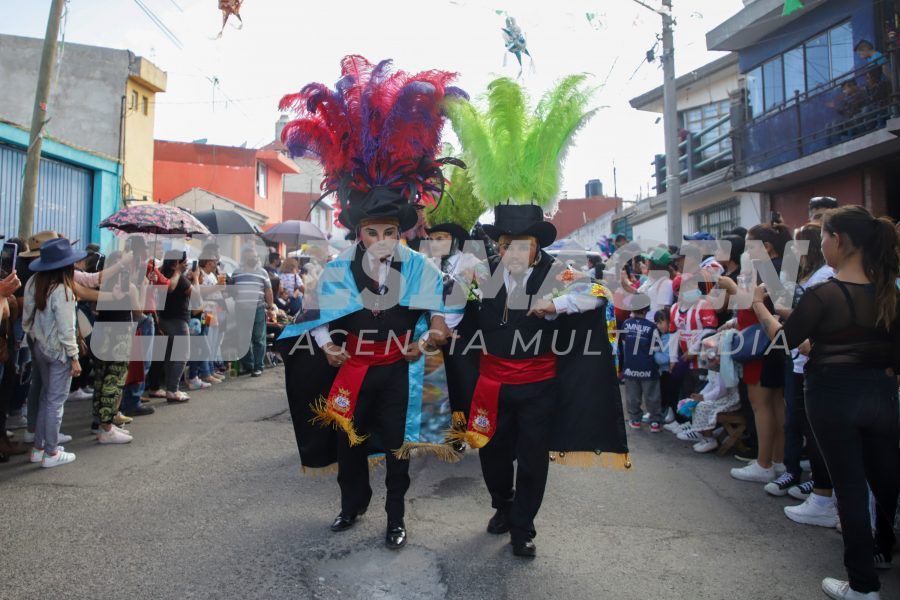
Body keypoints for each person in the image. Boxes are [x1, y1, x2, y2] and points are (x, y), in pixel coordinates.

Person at [275, 56, 459, 551]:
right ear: (358, 231)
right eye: (371, 231)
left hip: (398, 367)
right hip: (352, 366)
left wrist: (431, 336)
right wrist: (325, 346)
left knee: (397, 447)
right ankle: (350, 506)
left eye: (388, 231)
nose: (380, 238)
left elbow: (434, 315)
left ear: (401, 231)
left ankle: (395, 518)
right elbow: (315, 317)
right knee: (348, 443)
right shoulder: (338, 268)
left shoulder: (419, 267)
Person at [751, 205, 898, 600]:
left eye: (825, 238)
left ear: (839, 241)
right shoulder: (890, 290)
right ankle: (883, 549)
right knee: (884, 479)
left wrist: (760, 307)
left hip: (832, 396)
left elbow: (785, 340)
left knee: (849, 487)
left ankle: (863, 585)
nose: (823, 245)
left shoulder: (824, 293)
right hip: (881, 397)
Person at [718, 223, 792, 484]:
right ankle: (777, 459)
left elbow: (754, 301)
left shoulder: (765, 267)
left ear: (766, 247)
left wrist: (728, 284)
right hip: (770, 342)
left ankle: (765, 463)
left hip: (758, 344)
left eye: (750, 245)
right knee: (774, 404)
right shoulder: (780, 266)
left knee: (761, 405)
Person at [768, 223, 835, 503]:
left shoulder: (825, 275)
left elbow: (803, 314)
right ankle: (791, 471)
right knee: (793, 420)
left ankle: (820, 484)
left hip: (811, 356)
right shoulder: (803, 272)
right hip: (795, 358)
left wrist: (774, 307)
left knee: (814, 425)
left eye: (799, 242)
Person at [22, 239, 86, 468]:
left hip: (39, 347)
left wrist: (33, 337)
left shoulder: (33, 282)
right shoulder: (63, 291)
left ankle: (39, 448)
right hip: (58, 352)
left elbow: (27, 318)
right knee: (54, 402)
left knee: (45, 398)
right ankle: (51, 452)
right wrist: (74, 357)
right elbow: (67, 329)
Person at [90, 251, 141, 444]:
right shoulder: (130, 287)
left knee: (100, 378)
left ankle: (99, 422)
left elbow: (94, 307)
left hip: (101, 331)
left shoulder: (100, 284)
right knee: (114, 379)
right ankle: (107, 427)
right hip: (120, 334)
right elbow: (138, 312)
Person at [157, 251, 195, 403]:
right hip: (177, 322)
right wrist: (196, 279)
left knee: (170, 357)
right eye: (184, 262)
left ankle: (170, 388)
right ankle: (172, 390)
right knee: (181, 356)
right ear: (175, 263)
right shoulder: (179, 279)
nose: (186, 264)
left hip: (164, 320)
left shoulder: (162, 274)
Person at [233, 246, 274, 377]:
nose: (253, 259)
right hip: (241, 309)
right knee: (242, 338)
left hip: (258, 309)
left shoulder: (263, 272)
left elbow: (268, 290)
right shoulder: (236, 272)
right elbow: (231, 289)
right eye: (250, 256)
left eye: (255, 257)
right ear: (244, 258)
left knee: (258, 338)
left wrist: (270, 306)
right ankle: (248, 365)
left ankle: (258, 366)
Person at [622, 303, 663, 432]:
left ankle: (635, 419)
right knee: (652, 396)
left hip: (630, 366)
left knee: (632, 396)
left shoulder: (626, 323)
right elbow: (657, 348)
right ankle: (655, 422)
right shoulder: (652, 327)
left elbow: (623, 343)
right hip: (648, 368)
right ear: (647, 310)